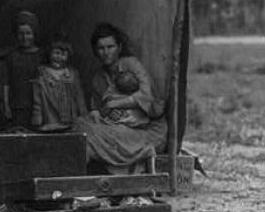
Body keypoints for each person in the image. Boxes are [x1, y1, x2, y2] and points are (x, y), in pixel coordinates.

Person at [76, 22, 167, 171]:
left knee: (90, 138)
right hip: (117, 126)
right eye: (101, 48)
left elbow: (146, 96)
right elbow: (98, 109)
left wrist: (115, 104)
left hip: (147, 131)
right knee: (80, 125)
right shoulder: (98, 78)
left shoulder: (131, 64)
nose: (106, 52)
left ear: (119, 47)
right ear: (95, 51)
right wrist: (103, 114)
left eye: (110, 47)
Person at [30, 36, 87, 132]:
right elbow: (37, 97)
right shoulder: (42, 73)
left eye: (64, 54)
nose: (59, 57)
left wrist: (83, 115)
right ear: (49, 53)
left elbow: (79, 96)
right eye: (56, 53)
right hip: (49, 119)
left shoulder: (72, 73)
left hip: (69, 119)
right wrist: (37, 117)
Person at [2, 11, 42, 129]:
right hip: (17, 106)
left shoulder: (42, 56)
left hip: (38, 107)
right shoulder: (12, 56)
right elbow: (6, 83)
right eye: (21, 34)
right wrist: (6, 106)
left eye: (28, 33)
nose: (25, 37)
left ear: (34, 33)